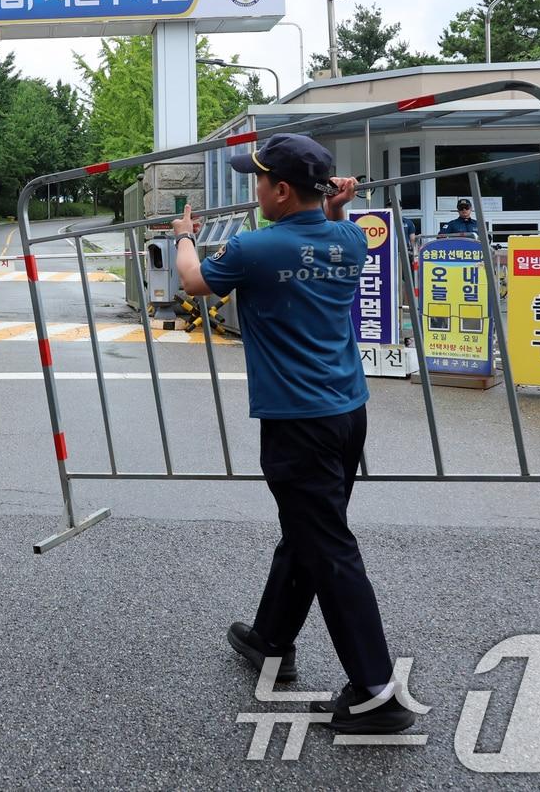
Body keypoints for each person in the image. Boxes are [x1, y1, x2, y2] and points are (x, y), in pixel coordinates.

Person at [172, 133, 415, 735]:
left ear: (281, 190)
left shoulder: (255, 247)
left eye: (258, 181)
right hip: (346, 411)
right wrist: (334, 210)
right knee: (312, 528)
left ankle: (376, 692)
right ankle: (271, 638)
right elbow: (328, 234)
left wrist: (182, 235)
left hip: (297, 421)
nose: (254, 190)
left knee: (327, 544)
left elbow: (193, 280)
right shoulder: (351, 238)